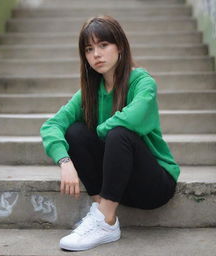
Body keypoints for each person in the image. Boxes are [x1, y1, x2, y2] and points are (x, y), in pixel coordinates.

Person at [40, 15, 180, 252]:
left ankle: (103, 219)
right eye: (89, 49)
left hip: (154, 185)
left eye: (103, 45)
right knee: (75, 132)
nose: (96, 54)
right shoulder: (89, 93)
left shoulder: (142, 82)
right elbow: (51, 125)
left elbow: (131, 118)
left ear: (120, 47)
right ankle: (104, 217)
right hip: (117, 187)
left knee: (118, 133)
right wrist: (65, 161)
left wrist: (100, 131)